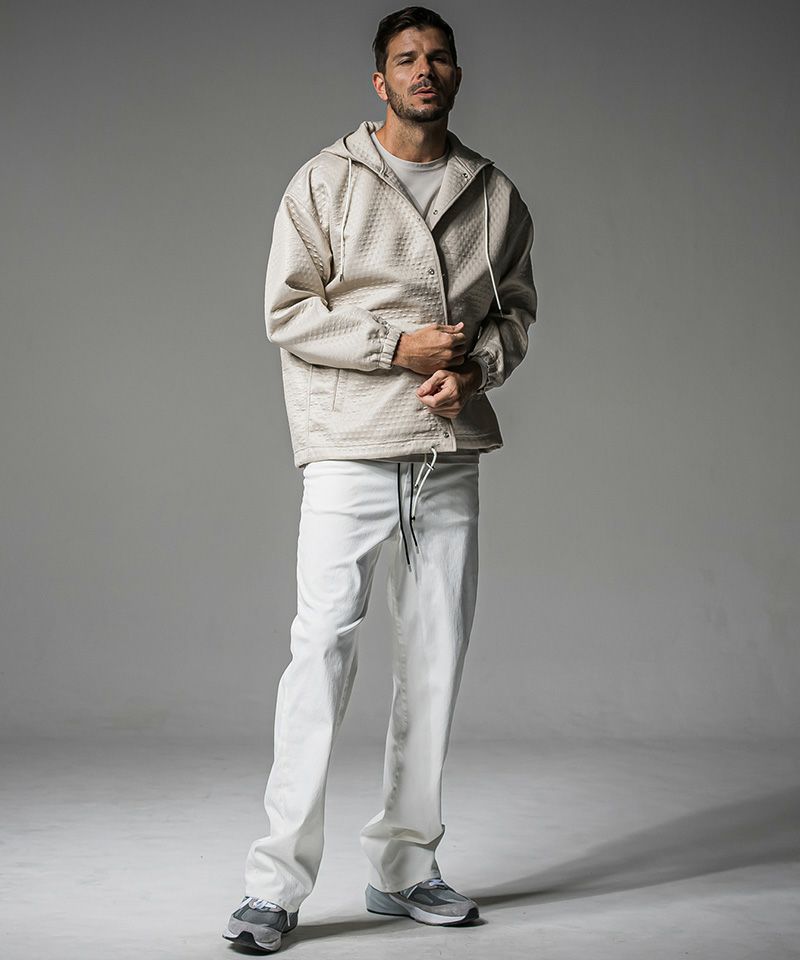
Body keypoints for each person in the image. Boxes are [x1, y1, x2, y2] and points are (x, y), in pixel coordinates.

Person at [223, 5, 537, 952]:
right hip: (348, 445)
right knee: (319, 653)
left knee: (435, 659)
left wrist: (474, 371)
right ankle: (274, 887)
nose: (424, 71)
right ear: (380, 80)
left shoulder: (495, 194)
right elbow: (287, 312)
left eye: (439, 57)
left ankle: (406, 868)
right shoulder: (324, 182)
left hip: (448, 451)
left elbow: (515, 315)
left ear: (457, 74)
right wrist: (398, 347)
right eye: (406, 59)